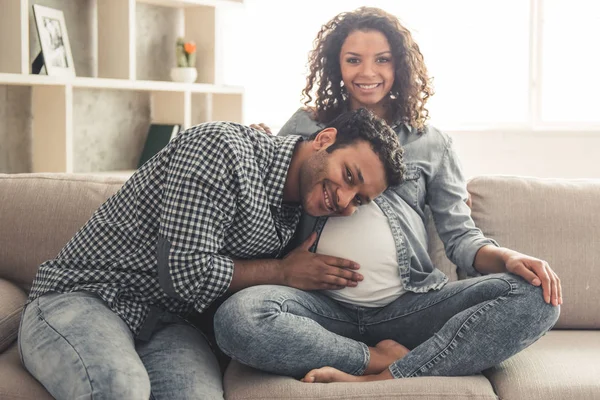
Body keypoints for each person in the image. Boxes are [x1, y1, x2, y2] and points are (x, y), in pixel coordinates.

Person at [214, 6, 562, 384]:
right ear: (336, 65)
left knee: (536, 296)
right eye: (353, 60)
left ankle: (386, 375)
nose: (367, 73)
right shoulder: (307, 124)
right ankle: (373, 358)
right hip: (318, 309)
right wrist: (253, 141)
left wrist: (508, 257)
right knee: (239, 318)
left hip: (410, 308)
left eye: (382, 60)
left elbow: (460, 238)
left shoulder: (432, 143)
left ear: (400, 67)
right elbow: (271, 186)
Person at [18, 108, 405, 399]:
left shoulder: (297, 210)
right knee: (120, 389)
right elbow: (184, 272)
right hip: (86, 296)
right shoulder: (221, 148)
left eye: (360, 199)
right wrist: (283, 272)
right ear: (324, 139)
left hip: (169, 324)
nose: (344, 200)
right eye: (349, 176)